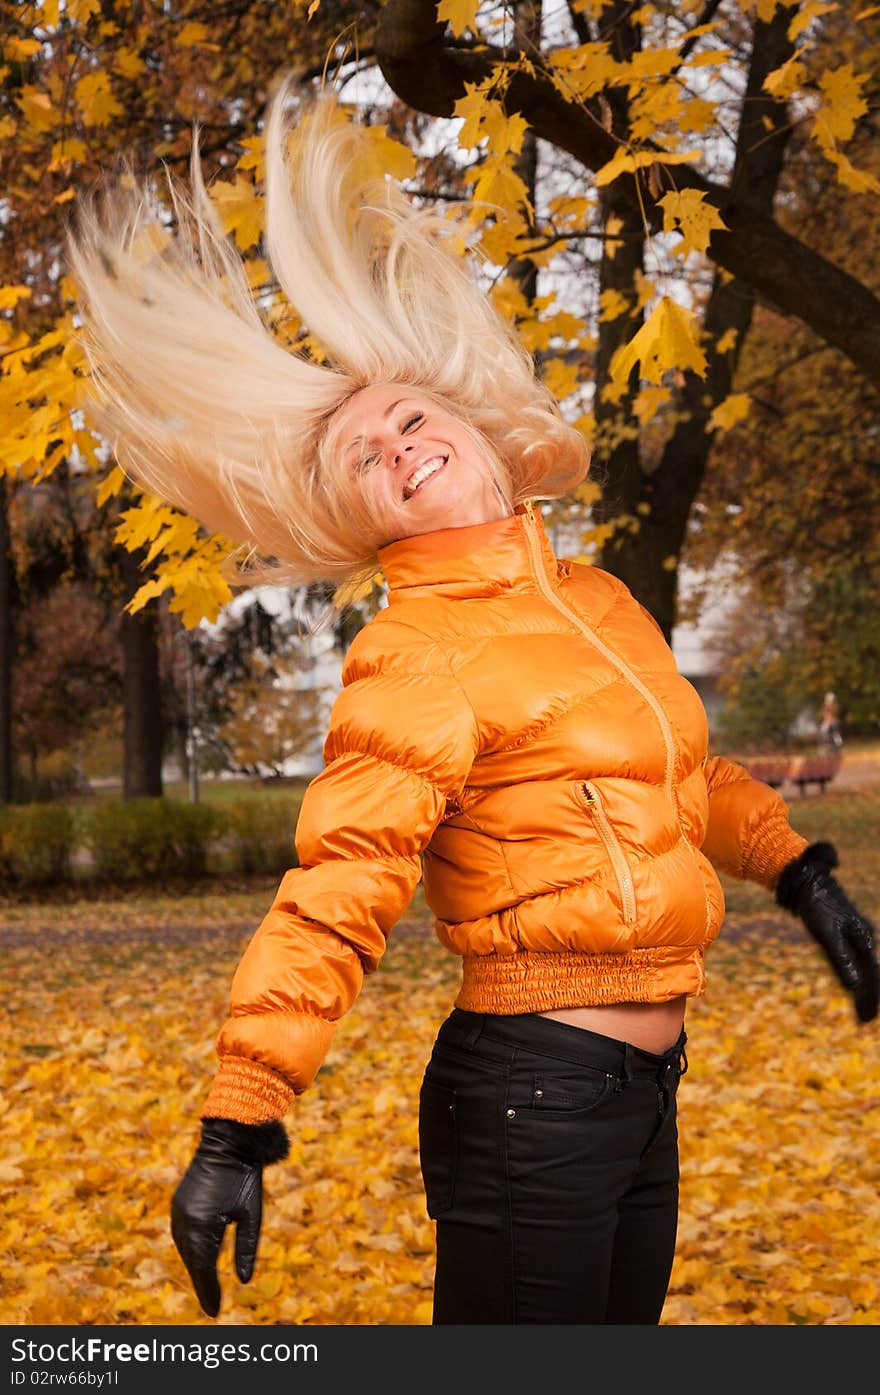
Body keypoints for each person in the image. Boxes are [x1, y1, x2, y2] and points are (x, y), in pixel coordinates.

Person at [66, 78, 880, 1326]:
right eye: (365, 461)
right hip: (531, 1096)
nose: (395, 448)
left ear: (469, 422)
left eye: (405, 419)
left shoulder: (599, 601)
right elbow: (339, 889)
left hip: (640, 1087)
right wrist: (238, 1119)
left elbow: (679, 775)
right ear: (360, 514)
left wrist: (803, 874)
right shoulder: (416, 652)